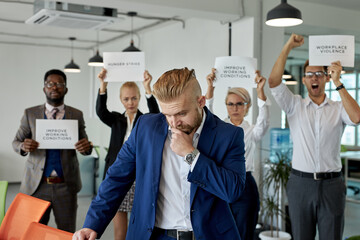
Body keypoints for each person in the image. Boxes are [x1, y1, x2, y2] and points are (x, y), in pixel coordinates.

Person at [73, 67, 246, 240]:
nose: (174, 123)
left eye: (181, 113)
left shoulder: (229, 135)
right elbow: (116, 179)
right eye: (167, 115)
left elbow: (233, 190)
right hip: (153, 235)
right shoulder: (145, 127)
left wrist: (191, 154)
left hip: (208, 236)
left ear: (201, 102)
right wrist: (91, 224)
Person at [268, 34, 360, 240]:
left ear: (327, 77)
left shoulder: (338, 108)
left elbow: (356, 116)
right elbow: (273, 81)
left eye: (319, 73)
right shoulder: (294, 105)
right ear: (304, 79)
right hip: (301, 183)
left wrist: (339, 83)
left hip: (332, 185)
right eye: (309, 74)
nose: (314, 78)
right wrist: (288, 46)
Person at [12, 69, 93, 232]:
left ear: (66, 89)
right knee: (34, 231)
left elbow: (85, 145)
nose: (54, 87)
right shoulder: (31, 113)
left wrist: (87, 148)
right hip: (37, 185)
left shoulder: (76, 115)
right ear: (44, 88)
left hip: (66, 185)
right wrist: (23, 146)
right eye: (50, 84)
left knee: (67, 231)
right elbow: (16, 142)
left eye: (59, 84)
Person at [205, 68, 270, 240]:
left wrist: (260, 90)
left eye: (239, 103)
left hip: (244, 184)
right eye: (231, 104)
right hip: (221, 183)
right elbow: (206, 114)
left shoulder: (251, 131)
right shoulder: (219, 128)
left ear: (246, 106)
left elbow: (264, 121)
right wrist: (210, 87)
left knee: (243, 233)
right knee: (220, 232)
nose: (235, 108)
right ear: (226, 105)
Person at [96, 68, 159, 240]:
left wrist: (148, 88)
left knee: (140, 221)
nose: (130, 102)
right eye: (126, 99)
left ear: (139, 98)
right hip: (120, 173)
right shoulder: (116, 119)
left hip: (140, 175)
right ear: (121, 100)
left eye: (134, 98)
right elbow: (101, 112)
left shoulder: (145, 121)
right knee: (119, 229)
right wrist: (103, 86)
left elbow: (157, 115)